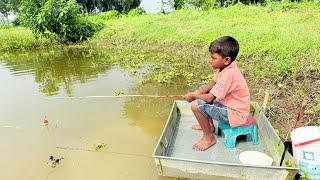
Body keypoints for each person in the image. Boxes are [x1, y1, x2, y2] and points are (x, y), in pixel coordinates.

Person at [184, 36, 254, 151]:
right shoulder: (224, 68)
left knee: (196, 105)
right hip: (230, 107)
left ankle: (208, 138)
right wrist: (197, 92)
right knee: (204, 100)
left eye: (213, 58)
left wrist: (193, 95)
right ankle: (209, 126)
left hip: (236, 114)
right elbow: (211, 85)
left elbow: (209, 98)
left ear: (226, 60)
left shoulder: (229, 74)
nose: (210, 60)